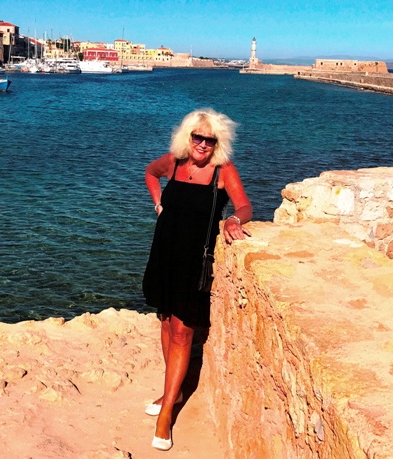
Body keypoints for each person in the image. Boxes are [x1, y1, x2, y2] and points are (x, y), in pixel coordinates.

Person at [142, 108, 252, 451]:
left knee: (182, 332)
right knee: (165, 322)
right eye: (197, 137)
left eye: (210, 139)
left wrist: (234, 220)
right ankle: (171, 394)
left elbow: (245, 206)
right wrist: (158, 203)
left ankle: (165, 416)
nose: (203, 144)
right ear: (187, 137)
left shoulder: (222, 170)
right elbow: (150, 173)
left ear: (219, 143)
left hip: (195, 260)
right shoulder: (173, 163)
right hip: (164, 252)